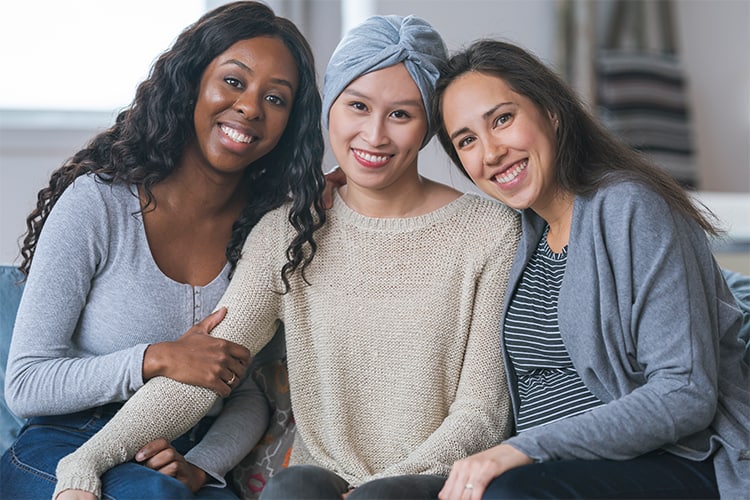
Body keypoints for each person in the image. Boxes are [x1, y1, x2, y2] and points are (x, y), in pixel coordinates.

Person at [51, 15, 522, 500]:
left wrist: (375, 492)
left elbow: (482, 410)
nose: (375, 135)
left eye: (401, 115)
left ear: (428, 126)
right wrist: (87, 460)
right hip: (321, 480)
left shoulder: (489, 232)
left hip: (436, 481)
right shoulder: (288, 230)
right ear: (330, 109)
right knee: (291, 490)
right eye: (357, 106)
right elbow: (210, 370)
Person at [0, 2, 325, 498]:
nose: (251, 108)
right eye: (234, 82)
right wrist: (155, 359)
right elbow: (26, 384)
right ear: (193, 81)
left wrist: (203, 466)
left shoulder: (269, 232)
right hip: (63, 444)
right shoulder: (99, 203)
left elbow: (247, 393)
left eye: (276, 99)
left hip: (175, 457)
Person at [433, 39, 750, 499]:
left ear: (552, 114)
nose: (491, 152)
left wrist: (523, 450)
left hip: (677, 461)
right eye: (467, 141)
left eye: (502, 119)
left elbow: (684, 392)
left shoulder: (629, 208)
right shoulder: (521, 234)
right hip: (548, 470)